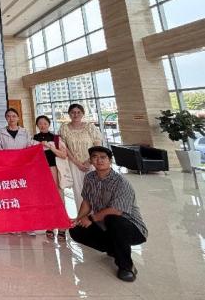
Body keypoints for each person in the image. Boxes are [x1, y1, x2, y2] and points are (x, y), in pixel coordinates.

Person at [69, 146, 147, 282]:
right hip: (106, 226)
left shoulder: (120, 182)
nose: (99, 160)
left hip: (131, 228)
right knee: (76, 230)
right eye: (95, 157)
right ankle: (114, 248)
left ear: (110, 160)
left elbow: (117, 210)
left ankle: (127, 266)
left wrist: (91, 218)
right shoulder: (89, 178)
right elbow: (86, 202)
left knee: (113, 219)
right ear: (91, 160)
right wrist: (78, 219)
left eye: (103, 157)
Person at [59, 103, 102, 210]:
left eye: (78, 112)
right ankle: (82, 215)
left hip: (91, 163)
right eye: (73, 112)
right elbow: (64, 148)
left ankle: (95, 215)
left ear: (83, 114)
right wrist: (76, 163)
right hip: (74, 164)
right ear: (69, 114)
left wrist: (89, 161)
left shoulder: (90, 127)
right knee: (78, 190)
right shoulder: (64, 128)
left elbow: (97, 145)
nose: (76, 115)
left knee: (94, 189)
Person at [32, 115, 69, 239]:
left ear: (49, 124)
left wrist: (50, 147)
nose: (42, 125)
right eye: (40, 123)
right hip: (40, 171)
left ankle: (62, 226)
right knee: (46, 198)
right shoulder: (34, 139)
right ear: (37, 125)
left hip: (54, 169)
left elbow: (63, 155)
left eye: (45, 123)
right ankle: (49, 225)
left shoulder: (56, 138)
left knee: (58, 197)